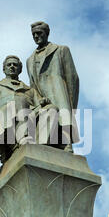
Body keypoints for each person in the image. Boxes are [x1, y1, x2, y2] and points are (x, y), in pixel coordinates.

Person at [0, 55, 53, 164]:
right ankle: (22, 138)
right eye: (9, 65)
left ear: (20, 69)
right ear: (4, 69)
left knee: (51, 109)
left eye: (15, 65)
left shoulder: (30, 90)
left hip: (30, 118)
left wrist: (44, 102)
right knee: (19, 100)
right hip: (7, 119)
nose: (12, 67)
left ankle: (41, 145)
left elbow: (39, 105)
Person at [26, 21, 79, 152]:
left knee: (63, 118)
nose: (36, 36)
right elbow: (32, 85)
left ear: (47, 34)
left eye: (39, 33)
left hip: (59, 92)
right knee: (47, 120)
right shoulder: (29, 60)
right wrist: (37, 100)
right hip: (42, 98)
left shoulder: (61, 50)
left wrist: (70, 101)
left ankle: (67, 144)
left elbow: (72, 77)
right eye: (34, 34)